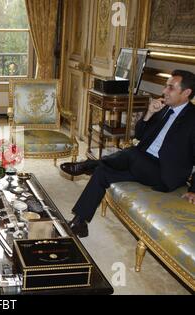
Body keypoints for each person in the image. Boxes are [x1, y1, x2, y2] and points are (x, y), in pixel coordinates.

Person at [60, 70, 195, 238]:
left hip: (163, 173)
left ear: (186, 92)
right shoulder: (163, 108)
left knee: (131, 153)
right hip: (141, 164)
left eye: (170, 88)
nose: (164, 91)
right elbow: (139, 135)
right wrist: (150, 113)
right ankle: (80, 223)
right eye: (165, 87)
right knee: (104, 172)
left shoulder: (192, 118)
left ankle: (90, 164)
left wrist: (193, 190)